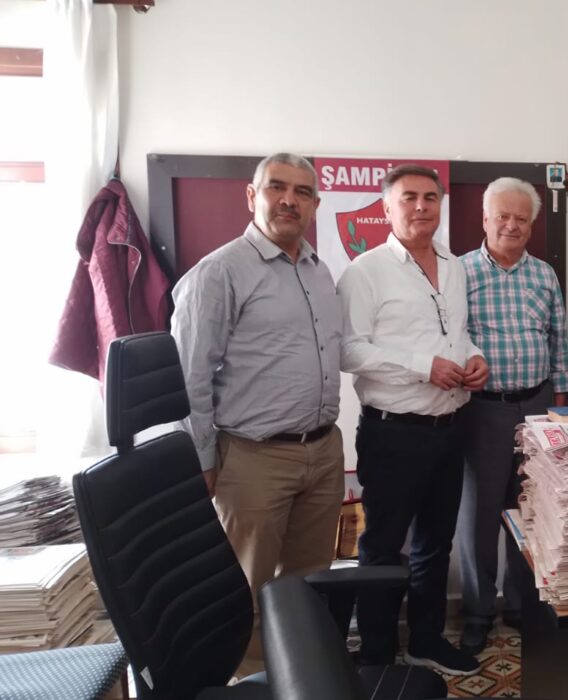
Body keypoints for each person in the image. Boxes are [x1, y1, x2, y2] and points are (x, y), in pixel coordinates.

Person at [171, 152, 344, 676]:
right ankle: (249, 682)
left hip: (322, 451)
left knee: (308, 586)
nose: (289, 200)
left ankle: (299, 680)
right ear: (252, 196)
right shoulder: (219, 273)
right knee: (245, 589)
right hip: (253, 459)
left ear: (315, 204)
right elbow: (189, 377)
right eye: (276, 187)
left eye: (302, 191)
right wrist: (203, 460)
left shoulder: (318, 271)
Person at [338, 164, 488, 676]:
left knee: (435, 544)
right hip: (392, 433)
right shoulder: (365, 271)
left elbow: (455, 334)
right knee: (382, 548)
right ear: (386, 207)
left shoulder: (454, 265)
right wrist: (423, 367)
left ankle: (426, 641)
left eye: (430, 197)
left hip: (449, 427)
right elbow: (350, 350)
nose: (421, 206)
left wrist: (474, 356)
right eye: (409, 198)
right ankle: (377, 656)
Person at [456, 177, 568, 654]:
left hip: (536, 407)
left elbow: (558, 341)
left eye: (521, 218)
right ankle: (477, 613)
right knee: (479, 515)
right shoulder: (459, 272)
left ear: (532, 224)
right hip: (482, 410)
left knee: (530, 511)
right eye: (502, 216)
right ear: (485, 219)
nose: (512, 225)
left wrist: (558, 408)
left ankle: (523, 605)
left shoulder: (544, 275)